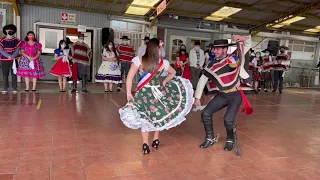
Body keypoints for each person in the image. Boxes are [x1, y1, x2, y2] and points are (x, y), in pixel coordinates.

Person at [119, 38, 194, 154]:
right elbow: (173, 72)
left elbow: (129, 77)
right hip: (157, 93)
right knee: (157, 116)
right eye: (160, 48)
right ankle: (156, 139)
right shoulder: (163, 63)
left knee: (145, 118)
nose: (161, 50)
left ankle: (145, 144)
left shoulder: (138, 60)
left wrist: (129, 93)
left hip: (143, 94)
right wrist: (164, 82)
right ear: (156, 49)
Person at [194, 35, 253, 156]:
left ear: (225, 49)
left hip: (235, 94)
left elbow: (247, 45)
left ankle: (230, 140)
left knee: (228, 119)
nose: (214, 51)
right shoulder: (211, 65)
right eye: (213, 49)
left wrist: (243, 38)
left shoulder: (234, 57)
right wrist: (197, 98)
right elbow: (202, 80)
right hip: (222, 95)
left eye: (218, 49)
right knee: (206, 113)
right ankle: (209, 138)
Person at [0, 24, 21, 94]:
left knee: (14, 74)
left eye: (11, 29)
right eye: (8, 29)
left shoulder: (16, 40)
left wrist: (12, 56)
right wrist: (8, 56)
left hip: (14, 60)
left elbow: (17, 50)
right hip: (4, 60)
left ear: (14, 31)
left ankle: (14, 88)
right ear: (5, 30)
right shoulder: (1, 40)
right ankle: (5, 88)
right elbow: (1, 50)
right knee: (5, 74)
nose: (9, 31)